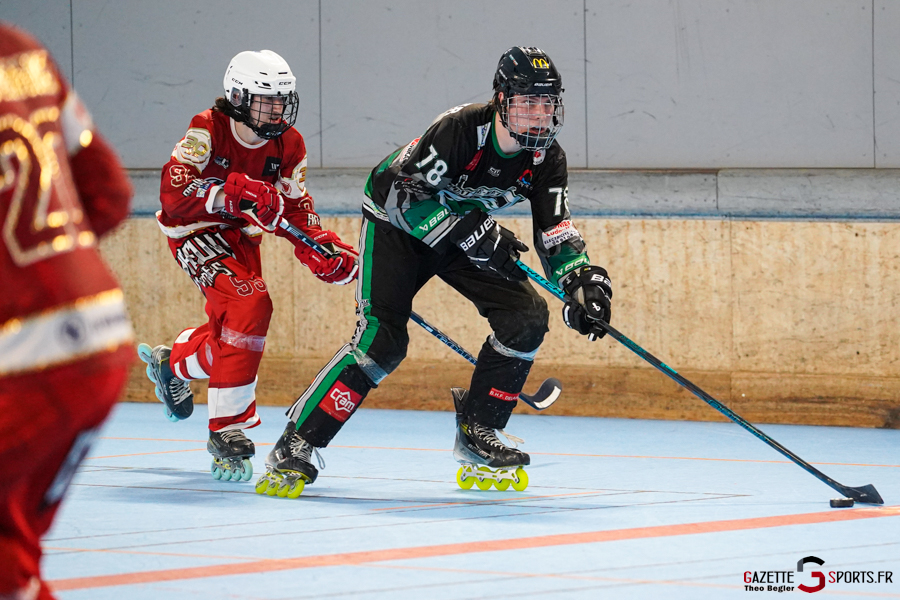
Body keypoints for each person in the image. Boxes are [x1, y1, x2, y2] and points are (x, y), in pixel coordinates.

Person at [256, 46, 613, 499]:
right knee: (382, 342)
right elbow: (404, 196)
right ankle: (297, 441)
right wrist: (470, 230)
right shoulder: (461, 130)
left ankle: (479, 430)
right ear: (501, 100)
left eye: (547, 103)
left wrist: (580, 282)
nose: (539, 115)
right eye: (528, 102)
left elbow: (556, 230)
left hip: (464, 230)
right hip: (397, 223)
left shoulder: (546, 159)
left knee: (526, 318)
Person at [137, 49, 357, 482]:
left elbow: (296, 208)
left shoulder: (290, 143)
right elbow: (173, 193)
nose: (277, 110)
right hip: (195, 231)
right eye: (267, 101)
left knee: (236, 332)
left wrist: (322, 248)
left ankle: (173, 362)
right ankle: (227, 428)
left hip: (242, 237)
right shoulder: (207, 129)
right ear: (237, 97)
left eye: (283, 101)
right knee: (250, 303)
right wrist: (228, 195)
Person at [0, 22, 134, 600]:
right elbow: (110, 195)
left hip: (22, 361)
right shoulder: (21, 49)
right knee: (10, 561)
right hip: (99, 341)